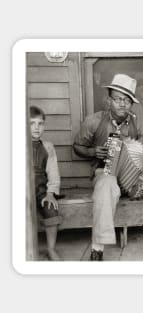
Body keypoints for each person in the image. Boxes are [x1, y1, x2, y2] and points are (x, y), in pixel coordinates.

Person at [73, 74, 143, 261]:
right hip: (107, 174)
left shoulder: (142, 123)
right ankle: (98, 249)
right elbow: (77, 147)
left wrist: (141, 180)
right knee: (106, 183)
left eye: (127, 100)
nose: (122, 104)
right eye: (118, 99)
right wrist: (93, 152)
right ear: (109, 100)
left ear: (132, 104)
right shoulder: (94, 121)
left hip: (136, 180)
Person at [29, 106, 63, 261]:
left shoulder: (47, 147)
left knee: (51, 210)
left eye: (40, 123)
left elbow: (53, 172)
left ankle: (50, 248)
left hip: (41, 191)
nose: (36, 127)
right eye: (31, 123)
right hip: (22, 191)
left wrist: (50, 193)